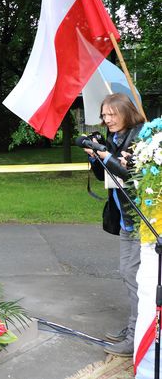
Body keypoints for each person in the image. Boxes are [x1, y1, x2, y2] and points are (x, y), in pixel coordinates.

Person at [84, 93, 145, 357]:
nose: (107, 120)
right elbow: (103, 176)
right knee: (129, 275)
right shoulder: (116, 138)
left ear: (126, 112)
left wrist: (107, 156)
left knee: (135, 278)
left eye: (112, 114)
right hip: (126, 222)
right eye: (104, 115)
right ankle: (137, 327)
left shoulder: (141, 138)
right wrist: (94, 157)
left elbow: (130, 175)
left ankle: (137, 335)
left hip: (142, 222)